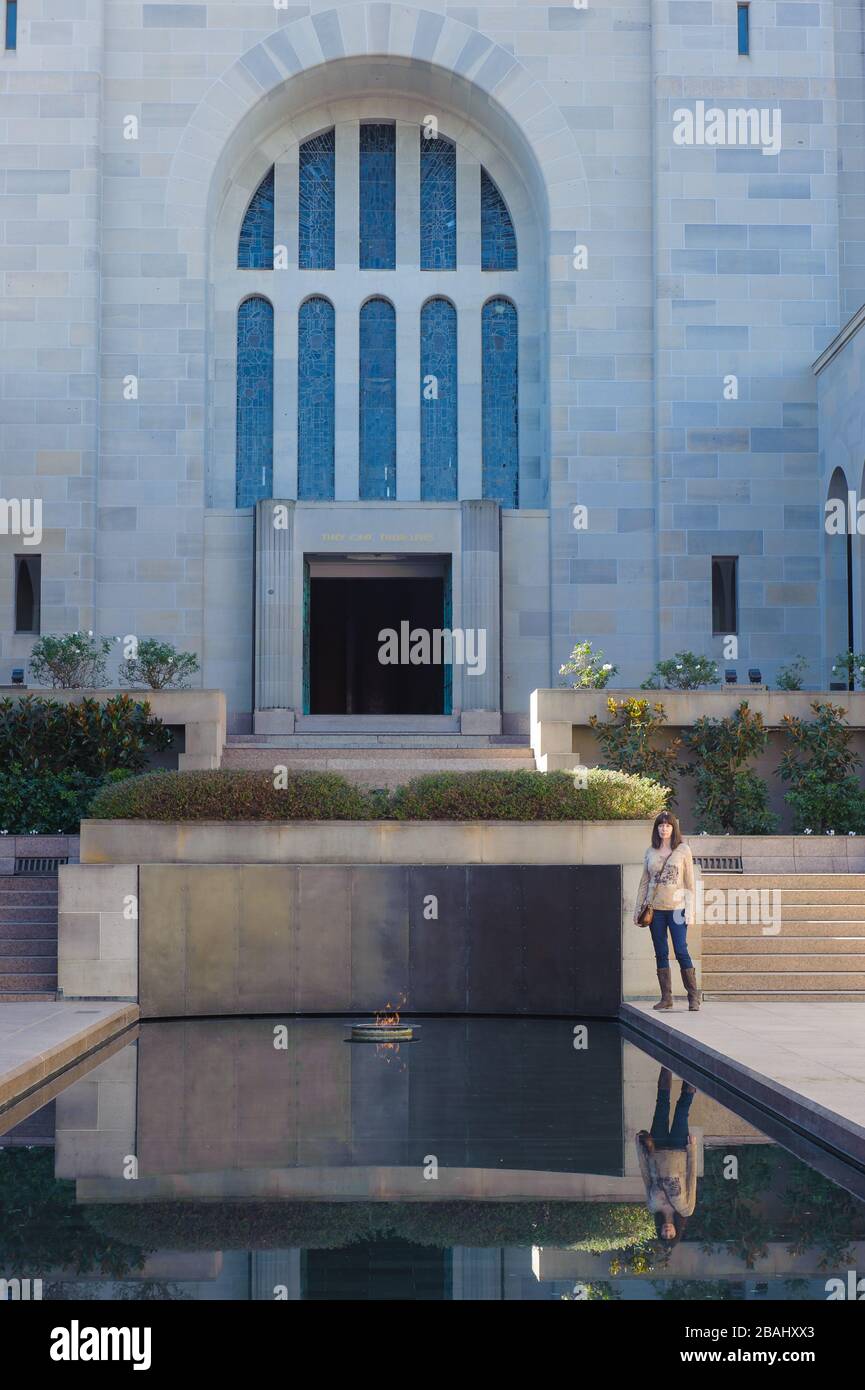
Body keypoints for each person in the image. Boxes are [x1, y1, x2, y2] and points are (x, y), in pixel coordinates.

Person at [634, 810, 701, 1011]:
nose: (664, 828)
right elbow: (644, 883)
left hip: (677, 909)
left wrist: (691, 909)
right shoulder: (650, 851)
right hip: (655, 910)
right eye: (661, 825)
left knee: (681, 950)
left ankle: (693, 997)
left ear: (674, 828)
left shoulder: (683, 850)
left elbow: (690, 882)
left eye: (668, 825)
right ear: (657, 829)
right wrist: (638, 909)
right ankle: (666, 997)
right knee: (661, 952)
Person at [636, 1065, 698, 1251]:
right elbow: (691, 1179)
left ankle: (667, 1062)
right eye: (671, 1235)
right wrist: (692, 1149)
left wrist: (639, 1150)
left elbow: (646, 1176)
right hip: (679, 1150)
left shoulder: (653, 1207)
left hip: (656, 1148)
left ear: (659, 1231)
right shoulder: (686, 1209)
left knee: (661, 1105)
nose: (667, 1231)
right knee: (682, 1109)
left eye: (664, 1234)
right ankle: (693, 1069)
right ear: (676, 1232)